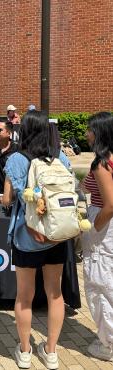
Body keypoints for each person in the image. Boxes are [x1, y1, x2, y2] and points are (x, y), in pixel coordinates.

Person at [2, 111, 71, 369]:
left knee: (24, 296)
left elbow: (9, 199)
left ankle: (24, 351)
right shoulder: (59, 156)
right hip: (56, 234)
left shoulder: (17, 159)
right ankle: (51, 352)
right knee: (55, 294)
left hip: (27, 236)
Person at [81, 112, 113, 362]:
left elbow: (110, 204)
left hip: (104, 225)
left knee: (99, 282)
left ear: (99, 133)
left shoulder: (101, 163)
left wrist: (93, 229)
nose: (86, 134)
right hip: (107, 226)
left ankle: (109, 344)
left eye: (90, 130)